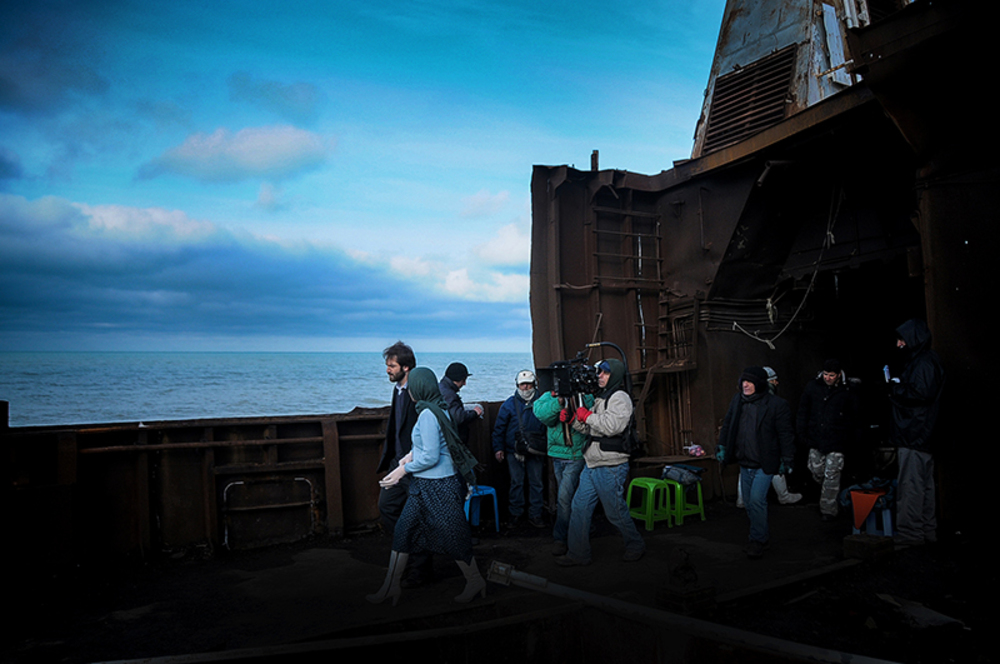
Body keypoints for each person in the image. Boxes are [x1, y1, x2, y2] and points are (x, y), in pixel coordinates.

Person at [366, 367, 484, 605]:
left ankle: (475, 581)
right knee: (403, 532)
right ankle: (391, 587)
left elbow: (431, 456)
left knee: (453, 537)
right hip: (424, 487)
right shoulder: (437, 408)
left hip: (439, 486)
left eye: (412, 386)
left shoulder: (428, 415)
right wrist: (410, 455)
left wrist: (402, 470)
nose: (409, 391)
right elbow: (434, 445)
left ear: (420, 388)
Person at [555, 359, 645, 566]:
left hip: (611, 465)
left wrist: (586, 416)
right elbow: (591, 429)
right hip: (593, 462)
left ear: (614, 375)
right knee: (579, 508)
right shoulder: (601, 398)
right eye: (599, 373)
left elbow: (613, 426)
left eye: (604, 373)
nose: (599, 376)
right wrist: (574, 421)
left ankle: (635, 545)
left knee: (615, 512)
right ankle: (578, 554)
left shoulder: (619, 397)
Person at [717, 366, 796, 559]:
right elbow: (728, 424)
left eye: (750, 382)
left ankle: (758, 540)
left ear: (759, 384)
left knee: (756, 500)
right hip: (745, 461)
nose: (745, 385)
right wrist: (723, 446)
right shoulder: (738, 401)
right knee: (750, 504)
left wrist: (786, 459)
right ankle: (761, 536)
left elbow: (785, 434)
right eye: (744, 381)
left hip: (765, 463)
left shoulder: (776, 405)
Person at [889, 319, 944, 545]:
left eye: (902, 339)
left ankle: (911, 535)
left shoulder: (922, 364)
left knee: (911, 487)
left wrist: (895, 387)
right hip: (923, 435)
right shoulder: (929, 361)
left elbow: (921, 393)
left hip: (914, 433)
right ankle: (926, 532)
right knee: (925, 486)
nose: (899, 344)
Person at [797, 359, 859, 521]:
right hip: (816, 437)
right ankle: (832, 497)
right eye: (826, 374)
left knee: (832, 474)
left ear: (839, 374)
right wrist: (802, 432)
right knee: (816, 470)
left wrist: (850, 437)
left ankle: (828, 511)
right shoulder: (813, 387)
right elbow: (803, 410)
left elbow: (854, 416)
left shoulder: (848, 390)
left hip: (837, 439)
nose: (828, 378)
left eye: (832, 375)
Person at [534, 384, 593, 555]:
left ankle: (561, 538)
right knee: (569, 496)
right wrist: (558, 401)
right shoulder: (547, 396)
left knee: (564, 498)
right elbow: (543, 416)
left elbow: (589, 413)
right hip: (557, 455)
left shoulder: (584, 395)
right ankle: (581, 529)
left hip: (575, 455)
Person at [736, 366, 802, 507]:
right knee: (770, 466)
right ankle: (782, 495)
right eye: (774, 380)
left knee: (751, 468)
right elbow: (783, 431)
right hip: (762, 447)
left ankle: (742, 499)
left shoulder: (745, 399)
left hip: (750, 448)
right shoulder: (768, 399)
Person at [492, 370, 547, 528]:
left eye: (528, 384)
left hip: (536, 450)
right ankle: (515, 514)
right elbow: (499, 430)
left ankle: (535, 514)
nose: (525, 387)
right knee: (516, 483)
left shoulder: (542, 402)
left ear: (534, 384)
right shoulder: (509, 404)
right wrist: (498, 449)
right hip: (513, 451)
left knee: (536, 483)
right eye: (522, 384)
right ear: (517, 385)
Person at [439, 362, 483, 444]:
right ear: (457, 379)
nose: (464, 384)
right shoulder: (450, 395)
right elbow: (458, 418)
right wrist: (474, 413)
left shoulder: (442, 388)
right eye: (463, 380)